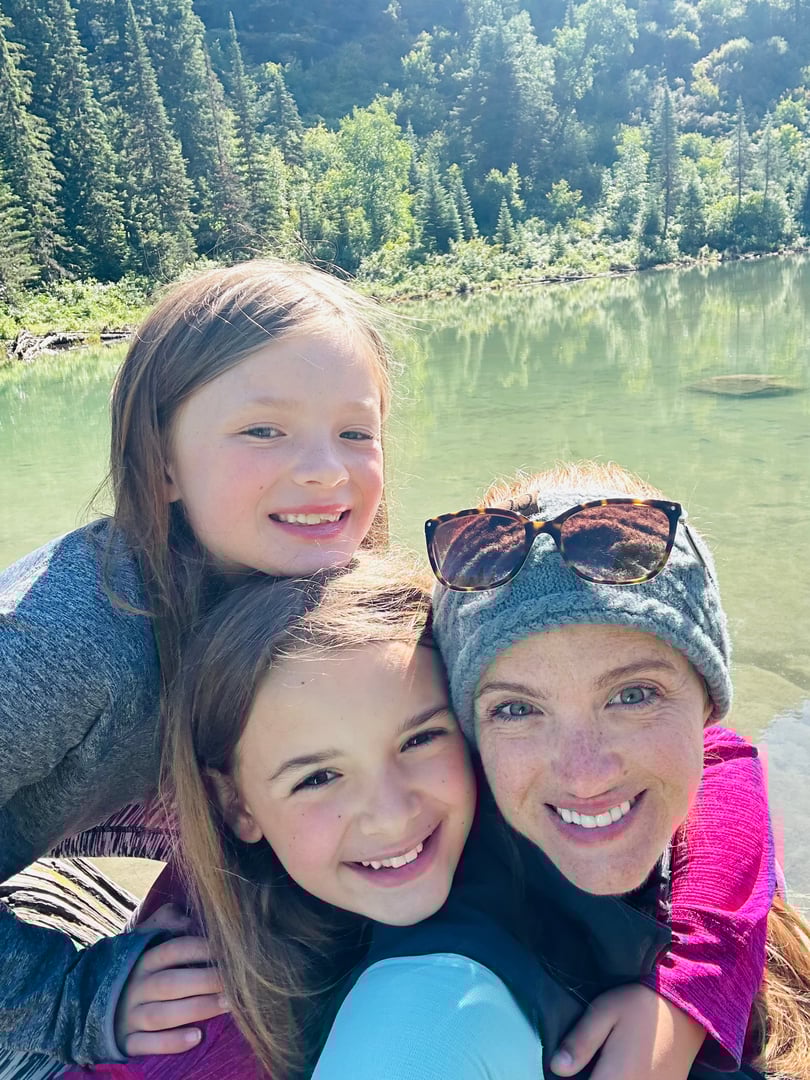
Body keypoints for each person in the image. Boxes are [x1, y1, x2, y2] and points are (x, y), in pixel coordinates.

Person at [59, 548, 773, 1080]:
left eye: (420, 740)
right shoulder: (200, 1013)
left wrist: (687, 996)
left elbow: (718, 754)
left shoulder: (504, 770)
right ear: (236, 806)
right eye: (318, 778)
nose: (391, 813)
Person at [0, 258, 394, 1075]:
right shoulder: (66, 640)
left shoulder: (328, 600)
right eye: (264, 430)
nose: (327, 469)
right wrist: (73, 996)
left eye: (356, 433)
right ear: (163, 465)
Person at [311, 462, 810, 1080]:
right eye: (517, 709)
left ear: (706, 703)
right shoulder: (443, 995)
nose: (585, 774)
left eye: (633, 696)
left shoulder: (711, 822)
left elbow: (729, 760)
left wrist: (692, 992)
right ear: (471, 738)